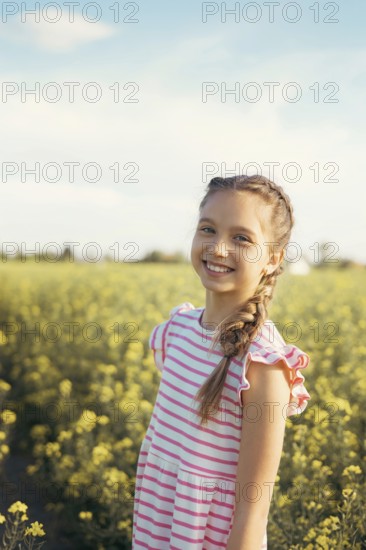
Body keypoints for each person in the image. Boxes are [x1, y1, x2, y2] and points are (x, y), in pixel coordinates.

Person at [132, 174, 311, 549]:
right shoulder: (176, 330)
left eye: (242, 238)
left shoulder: (263, 365)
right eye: (208, 229)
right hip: (157, 526)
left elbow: (252, 512)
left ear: (273, 259)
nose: (218, 247)